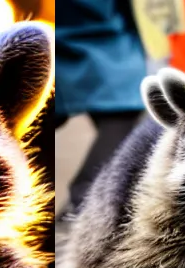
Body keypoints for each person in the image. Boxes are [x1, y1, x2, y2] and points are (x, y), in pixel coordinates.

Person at [55, 0, 146, 220]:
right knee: (120, 118)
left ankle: (82, 198)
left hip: (59, 43)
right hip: (110, 47)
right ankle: (83, 196)